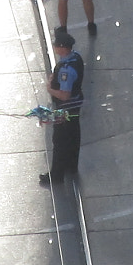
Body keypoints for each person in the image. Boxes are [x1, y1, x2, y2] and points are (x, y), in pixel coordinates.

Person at [41, 28, 84, 185]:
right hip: (76, 106)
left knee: (59, 140)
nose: (54, 47)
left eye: (56, 45)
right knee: (73, 135)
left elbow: (65, 95)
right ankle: (71, 166)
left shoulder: (66, 69)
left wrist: (50, 89)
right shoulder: (75, 58)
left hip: (66, 107)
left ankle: (57, 175)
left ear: (62, 48)